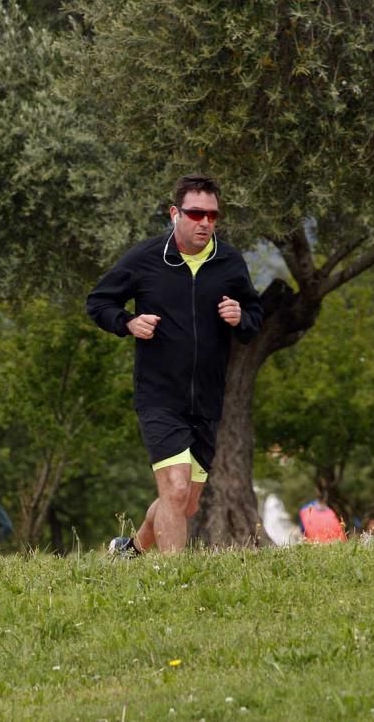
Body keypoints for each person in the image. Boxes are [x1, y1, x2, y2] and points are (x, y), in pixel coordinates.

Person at [88, 174, 262, 555]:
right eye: (196, 213)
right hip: (159, 395)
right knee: (175, 488)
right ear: (174, 214)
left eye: (213, 216)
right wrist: (129, 323)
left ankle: (130, 550)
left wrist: (240, 317)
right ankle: (172, 581)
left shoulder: (229, 262)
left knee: (187, 503)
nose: (205, 223)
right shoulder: (146, 259)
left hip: (208, 398)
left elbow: (254, 316)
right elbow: (99, 303)